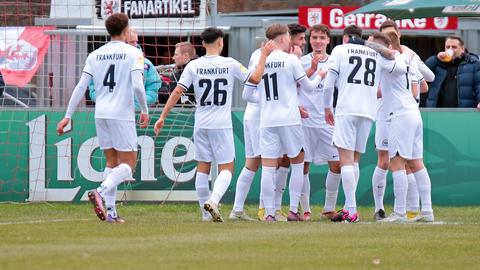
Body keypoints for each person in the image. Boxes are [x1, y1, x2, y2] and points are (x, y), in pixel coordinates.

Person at [153, 27, 275, 222]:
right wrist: (263, 55)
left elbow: (177, 91)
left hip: (201, 123)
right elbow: (255, 78)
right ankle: (214, 201)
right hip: (221, 124)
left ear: (202, 44)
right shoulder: (230, 63)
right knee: (227, 167)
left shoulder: (194, 66)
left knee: (203, 166)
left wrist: (162, 117)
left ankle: (204, 214)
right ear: (221, 42)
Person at [57, 13, 150, 223]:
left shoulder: (95, 54)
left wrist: (67, 116)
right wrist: (144, 109)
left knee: (111, 162)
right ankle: (100, 191)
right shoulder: (133, 52)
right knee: (128, 164)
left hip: (101, 113)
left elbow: (81, 87)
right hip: (122, 114)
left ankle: (111, 213)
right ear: (126, 31)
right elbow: (137, 85)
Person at [323, 26, 407, 223]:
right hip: (368, 111)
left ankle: (351, 210)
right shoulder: (375, 52)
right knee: (354, 161)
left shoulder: (340, 50)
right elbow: (400, 67)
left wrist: (327, 107)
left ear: (345, 38)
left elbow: (328, 84)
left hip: (346, 108)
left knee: (345, 159)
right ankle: (347, 207)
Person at [243, 24, 324, 222]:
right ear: (284, 37)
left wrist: (266, 100)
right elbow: (310, 88)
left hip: (268, 120)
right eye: (289, 36)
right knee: (298, 162)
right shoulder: (291, 60)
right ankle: (293, 210)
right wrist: (320, 74)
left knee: (269, 167)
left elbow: (247, 95)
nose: (290, 39)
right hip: (289, 119)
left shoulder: (260, 62)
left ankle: (269, 213)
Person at [376, 20, 435, 220]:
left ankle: (400, 212)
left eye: (381, 46)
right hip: (412, 113)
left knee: (397, 162)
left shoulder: (393, 61)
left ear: (389, 47)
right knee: (416, 162)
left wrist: (370, 45)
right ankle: (427, 211)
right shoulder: (407, 58)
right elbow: (427, 79)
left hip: (400, 115)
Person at [298, 24, 341, 221]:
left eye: (322, 38)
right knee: (303, 166)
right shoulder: (301, 61)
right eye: (314, 37)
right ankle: (305, 210)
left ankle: (328, 208)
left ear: (328, 41)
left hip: (326, 123)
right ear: (309, 40)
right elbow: (292, 87)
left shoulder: (335, 61)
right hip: (304, 122)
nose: (317, 41)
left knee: (337, 165)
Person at [88, 28, 161, 108]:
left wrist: (138, 103)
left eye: (136, 41)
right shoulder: (103, 59)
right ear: (122, 42)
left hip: (137, 111)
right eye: (131, 42)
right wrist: (106, 101)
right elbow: (93, 86)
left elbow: (153, 87)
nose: (135, 45)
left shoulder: (146, 64)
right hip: (108, 109)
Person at [425, 35, 480, 108]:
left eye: (454, 47)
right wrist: (436, 59)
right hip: (438, 112)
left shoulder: (473, 64)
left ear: (462, 49)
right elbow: (422, 74)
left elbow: (479, 85)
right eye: (447, 47)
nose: (450, 49)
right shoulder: (438, 63)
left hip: (464, 112)